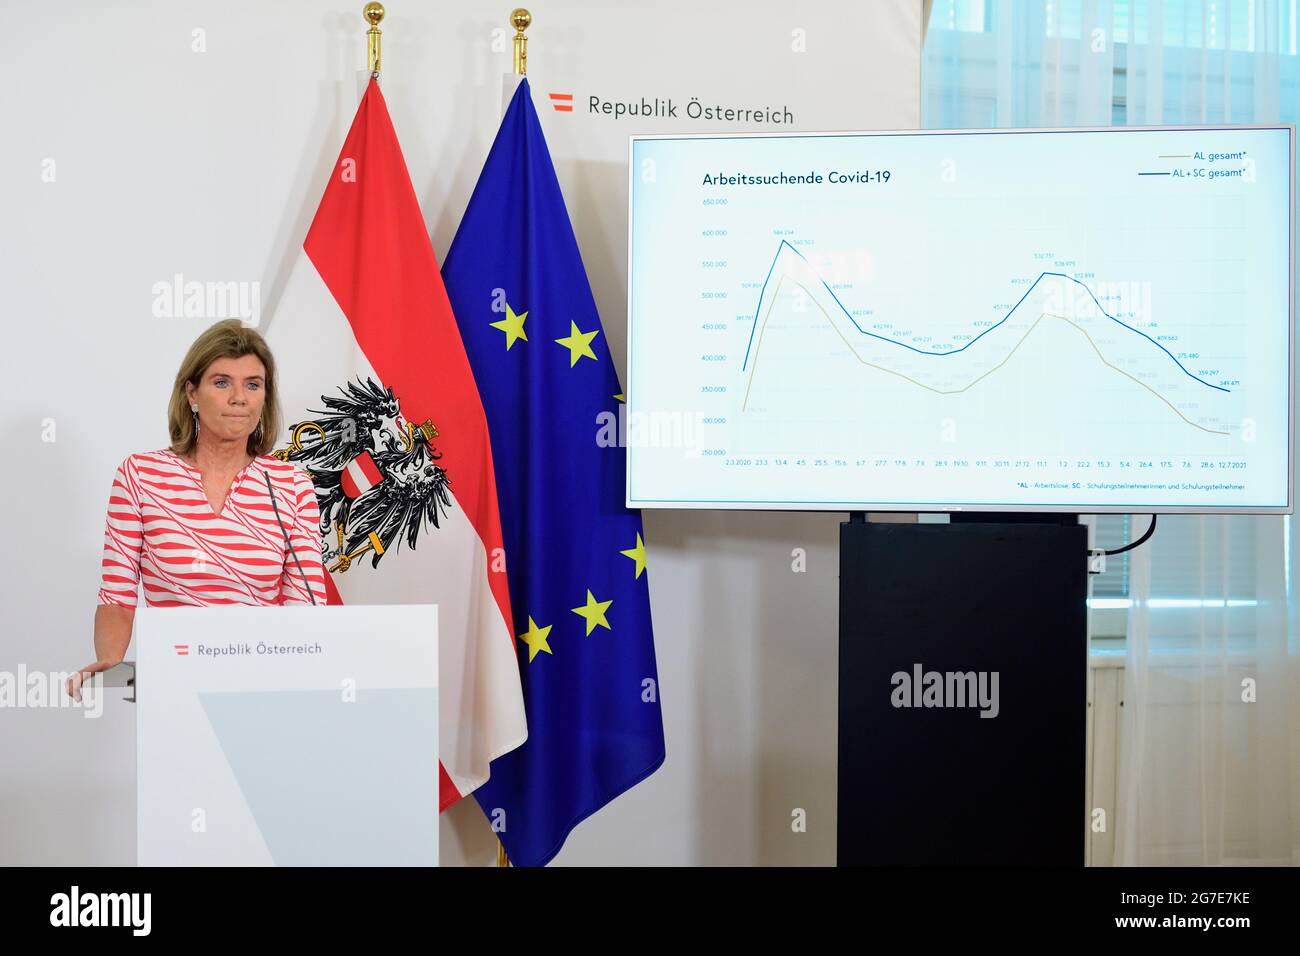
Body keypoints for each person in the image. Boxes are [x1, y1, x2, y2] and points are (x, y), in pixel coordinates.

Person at [66, 319, 327, 700]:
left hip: (268, 691)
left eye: (253, 384)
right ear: (191, 393)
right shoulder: (140, 476)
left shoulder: (292, 485)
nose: (239, 397)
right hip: (176, 691)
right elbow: (117, 598)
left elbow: (305, 610)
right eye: (222, 382)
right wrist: (111, 660)